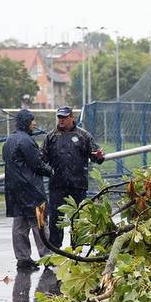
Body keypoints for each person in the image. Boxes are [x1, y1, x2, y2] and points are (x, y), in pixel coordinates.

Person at [41, 106, 105, 248]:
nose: (61, 120)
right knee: (56, 220)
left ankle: (76, 252)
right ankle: (54, 250)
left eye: (64, 117)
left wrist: (99, 156)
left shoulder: (84, 135)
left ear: (72, 117)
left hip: (78, 185)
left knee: (77, 219)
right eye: (59, 117)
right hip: (57, 186)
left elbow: (97, 156)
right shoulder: (51, 137)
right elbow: (42, 159)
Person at [3, 109, 54, 271]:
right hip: (30, 188)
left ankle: (23, 258)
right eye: (32, 121)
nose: (35, 123)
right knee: (38, 222)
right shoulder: (26, 141)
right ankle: (46, 256)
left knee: (19, 224)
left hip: (14, 189)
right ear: (27, 122)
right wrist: (51, 171)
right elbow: (37, 164)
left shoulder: (9, 139)